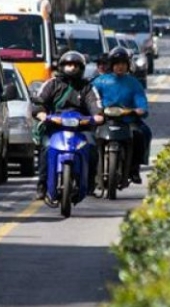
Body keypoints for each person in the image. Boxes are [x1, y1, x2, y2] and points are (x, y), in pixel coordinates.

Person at [32, 51, 104, 200]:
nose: (71, 68)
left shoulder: (87, 88)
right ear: (61, 67)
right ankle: (42, 185)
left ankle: (90, 183)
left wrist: (97, 116)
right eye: (68, 65)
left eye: (75, 66)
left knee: (91, 148)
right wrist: (42, 114)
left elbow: (96, 107)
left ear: (81, 68)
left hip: (81, 128)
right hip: (54, 127)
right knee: (45, 149)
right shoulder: (51, 84)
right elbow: (39, 103)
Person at [92, 47, 151, 184]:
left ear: (128, 65)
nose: (120, 67)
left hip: (128, 121)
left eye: (123, 64)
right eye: (117, 63)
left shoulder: (134, 83)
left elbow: (141, 101)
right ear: (111, 65)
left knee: (141, 133)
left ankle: (134, 168)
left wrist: (140, 109)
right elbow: (90, 97)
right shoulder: (100, 81)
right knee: (88, 138)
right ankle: (90, 174)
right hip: (104, 120)